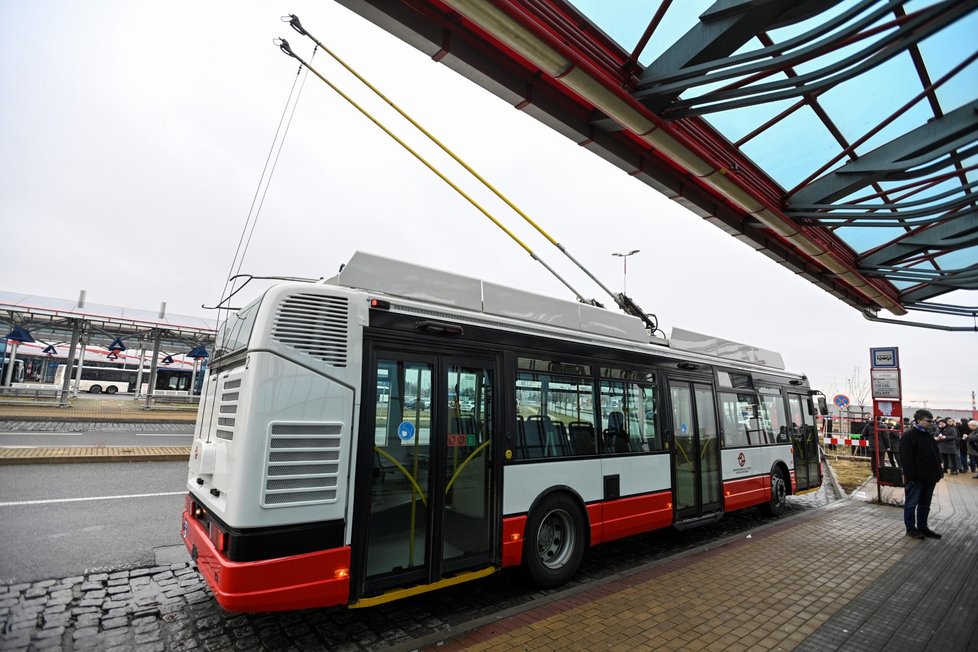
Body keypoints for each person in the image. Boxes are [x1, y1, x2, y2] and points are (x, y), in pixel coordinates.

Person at [901, 409, 944, 539]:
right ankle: (911, 529)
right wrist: (910, 476)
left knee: (925, 505)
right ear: (919, 420)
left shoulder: (928, 435)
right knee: (911, 504)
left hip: (930, 477)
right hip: (916, 478)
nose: (931, 423)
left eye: (932, 421)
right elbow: (906, 458)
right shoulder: (909, 435)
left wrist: (939, 472)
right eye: (928, 421)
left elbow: (935, 455)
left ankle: (923, 527)